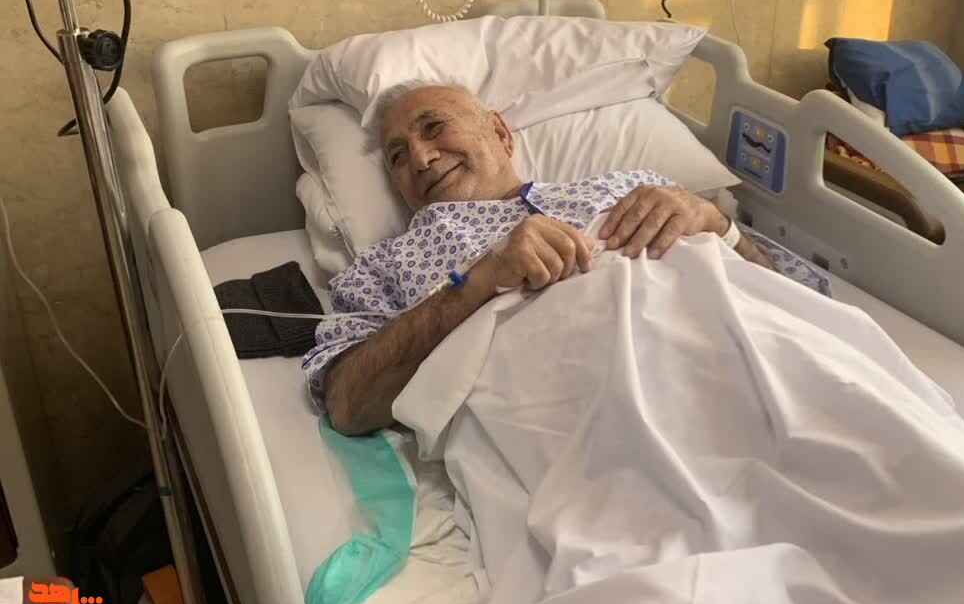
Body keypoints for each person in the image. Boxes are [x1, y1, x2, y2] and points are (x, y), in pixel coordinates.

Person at [303, 82, 828, 436]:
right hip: (591, 413)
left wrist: (718, 224)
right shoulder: (388, 263)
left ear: (500, 134)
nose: (419, 157)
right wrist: (479, 280)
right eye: (397, 156)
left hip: (749, 359)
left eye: (434, 127)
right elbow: (347, 404)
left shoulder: (628, 185)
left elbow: (798, 300)